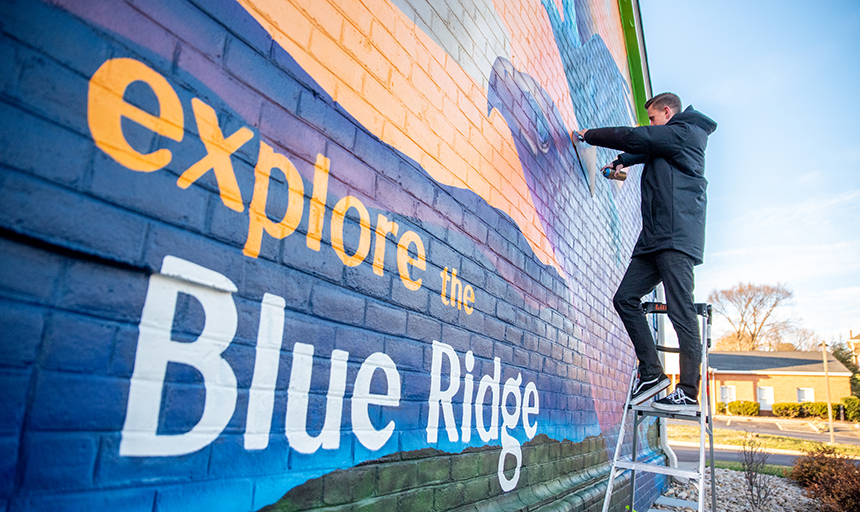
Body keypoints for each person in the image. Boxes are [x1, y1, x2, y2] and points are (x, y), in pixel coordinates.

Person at [575, 93, 717, 412]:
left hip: (675, 238)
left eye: (653, 118)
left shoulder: (684, 133)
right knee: (625, 298)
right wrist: (623, 161)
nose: (650, 123)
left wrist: (589, 136)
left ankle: (689, 392)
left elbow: (637, 136)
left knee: (681, 311)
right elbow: (644, 149)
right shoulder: (671, 139)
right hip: (653, 239)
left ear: (666, 112)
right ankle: (653, 373)